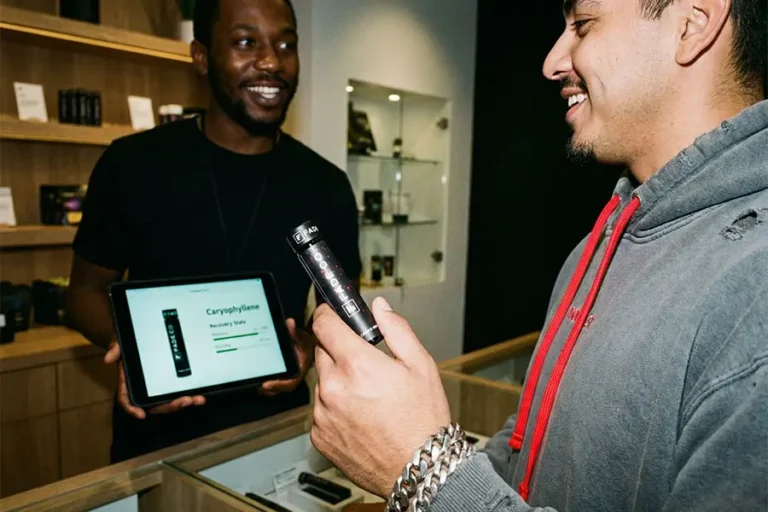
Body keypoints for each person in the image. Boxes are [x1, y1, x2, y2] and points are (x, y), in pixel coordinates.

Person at [307, 0, 767, 510]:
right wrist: (414, 450)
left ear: (692, 23)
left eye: (583, 25)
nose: (551, 62)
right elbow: (534, 448)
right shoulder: (598, 247)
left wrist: (422, 471)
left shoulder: (757, 290)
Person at [65, 0, 362, 463]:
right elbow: (84, 293)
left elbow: (341, 305)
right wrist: (133, 350)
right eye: (246, 42)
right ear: (201, 57)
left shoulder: (324, 186)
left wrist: (308, 345)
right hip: (157, 444)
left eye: (286, 45)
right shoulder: (133, 165)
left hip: (279, 442)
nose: (272, 61)